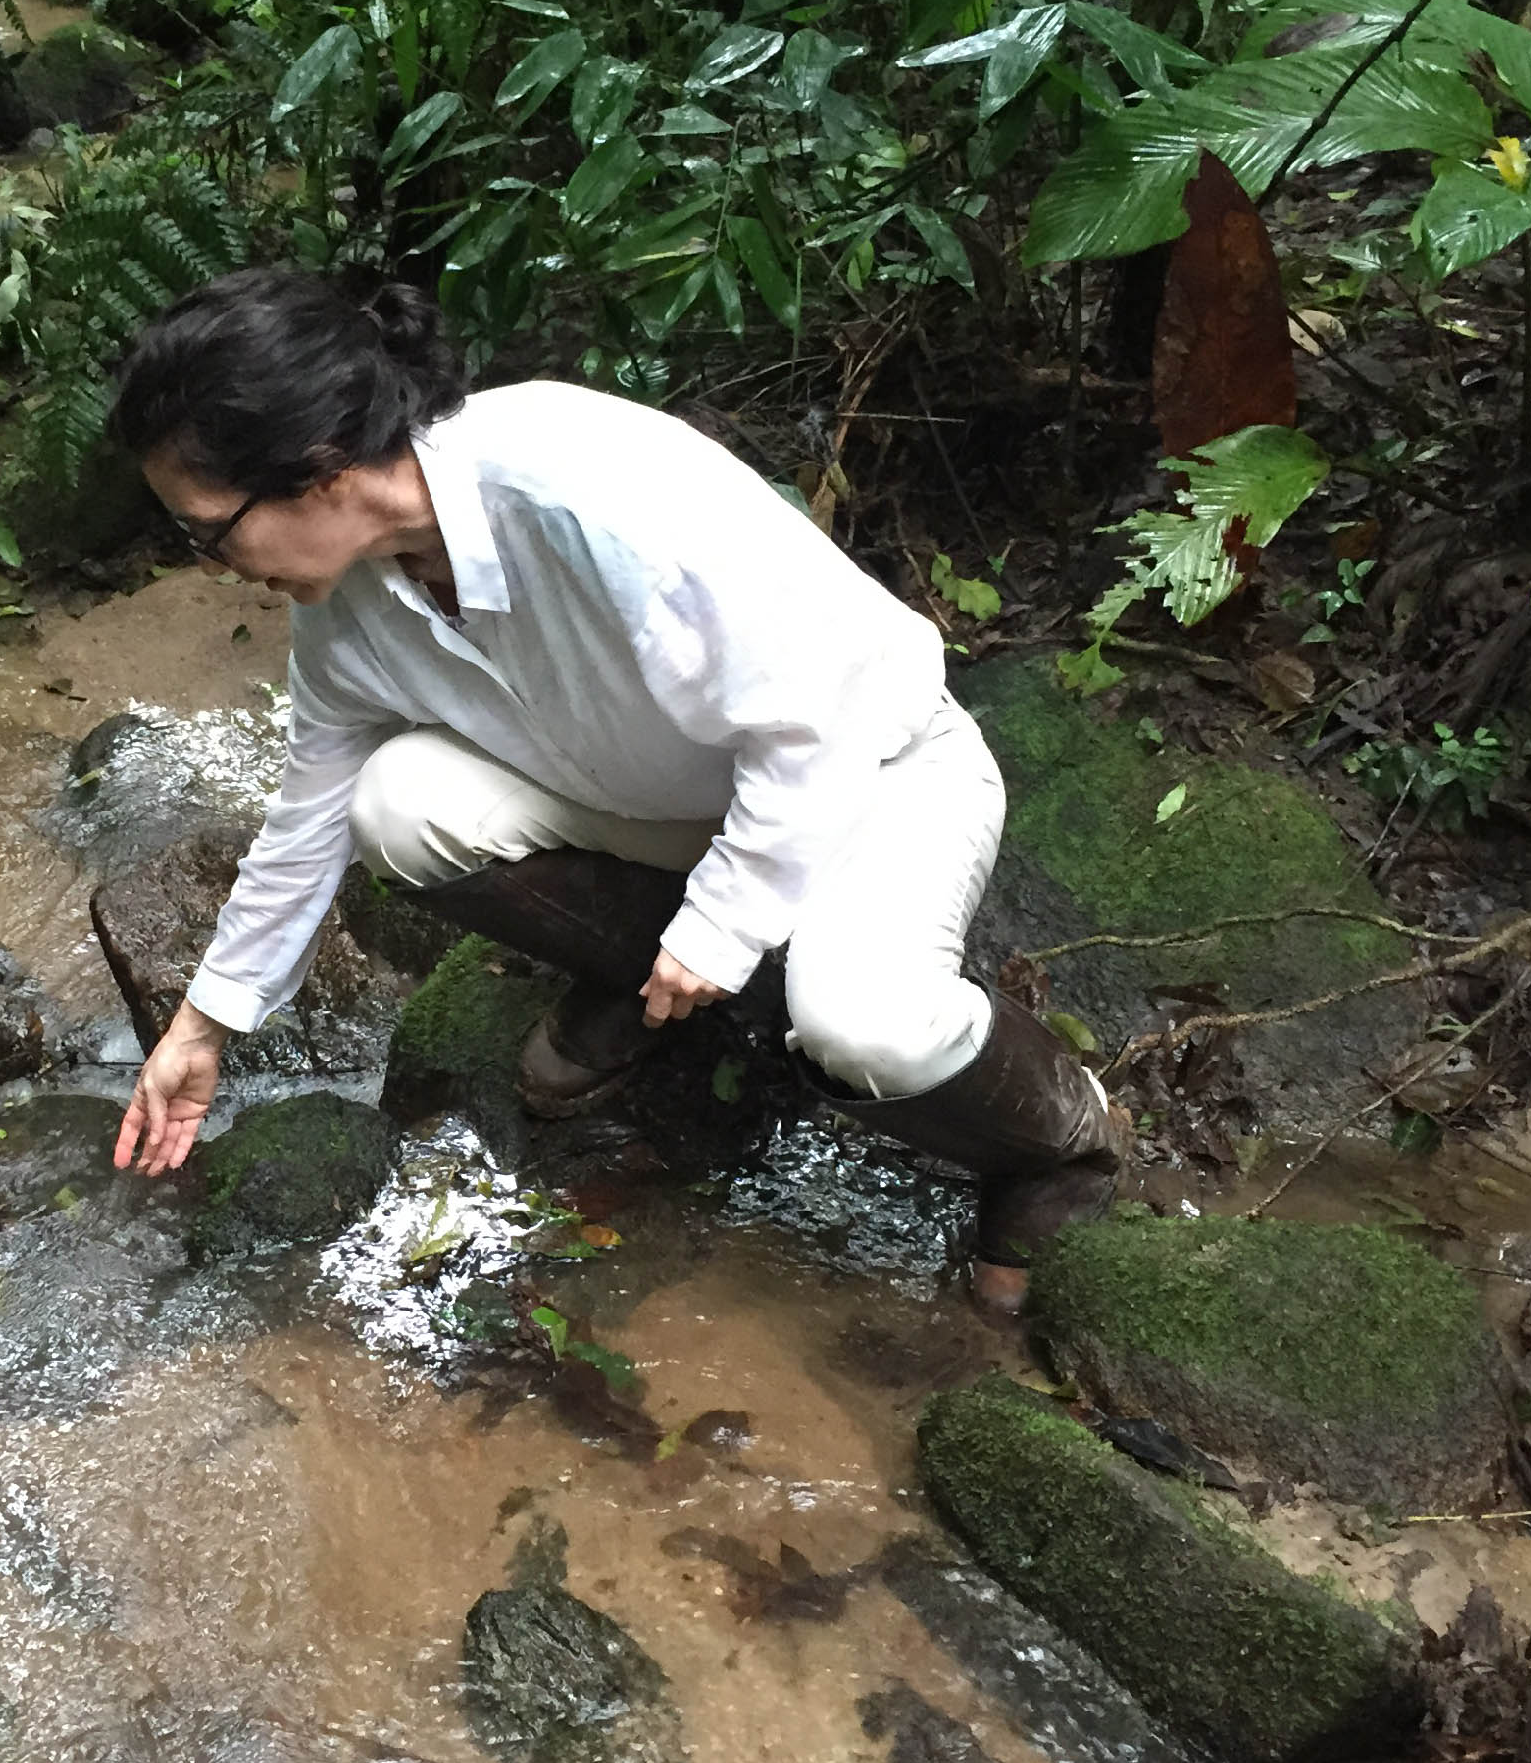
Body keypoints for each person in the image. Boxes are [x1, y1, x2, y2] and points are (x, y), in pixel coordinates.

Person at [103, 265, 1122, 1312]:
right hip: (668, 809)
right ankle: (658, 994)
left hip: (874, 775)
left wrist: (722, 927)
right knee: (394, 804)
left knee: (861, 1028)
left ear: (314, 467)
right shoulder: (347, 604)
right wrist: (203, 1027)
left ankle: (1059, 1143)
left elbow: (806, 729)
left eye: (207, 532)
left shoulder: (573, 484)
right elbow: (306, 817)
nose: (212, 566)